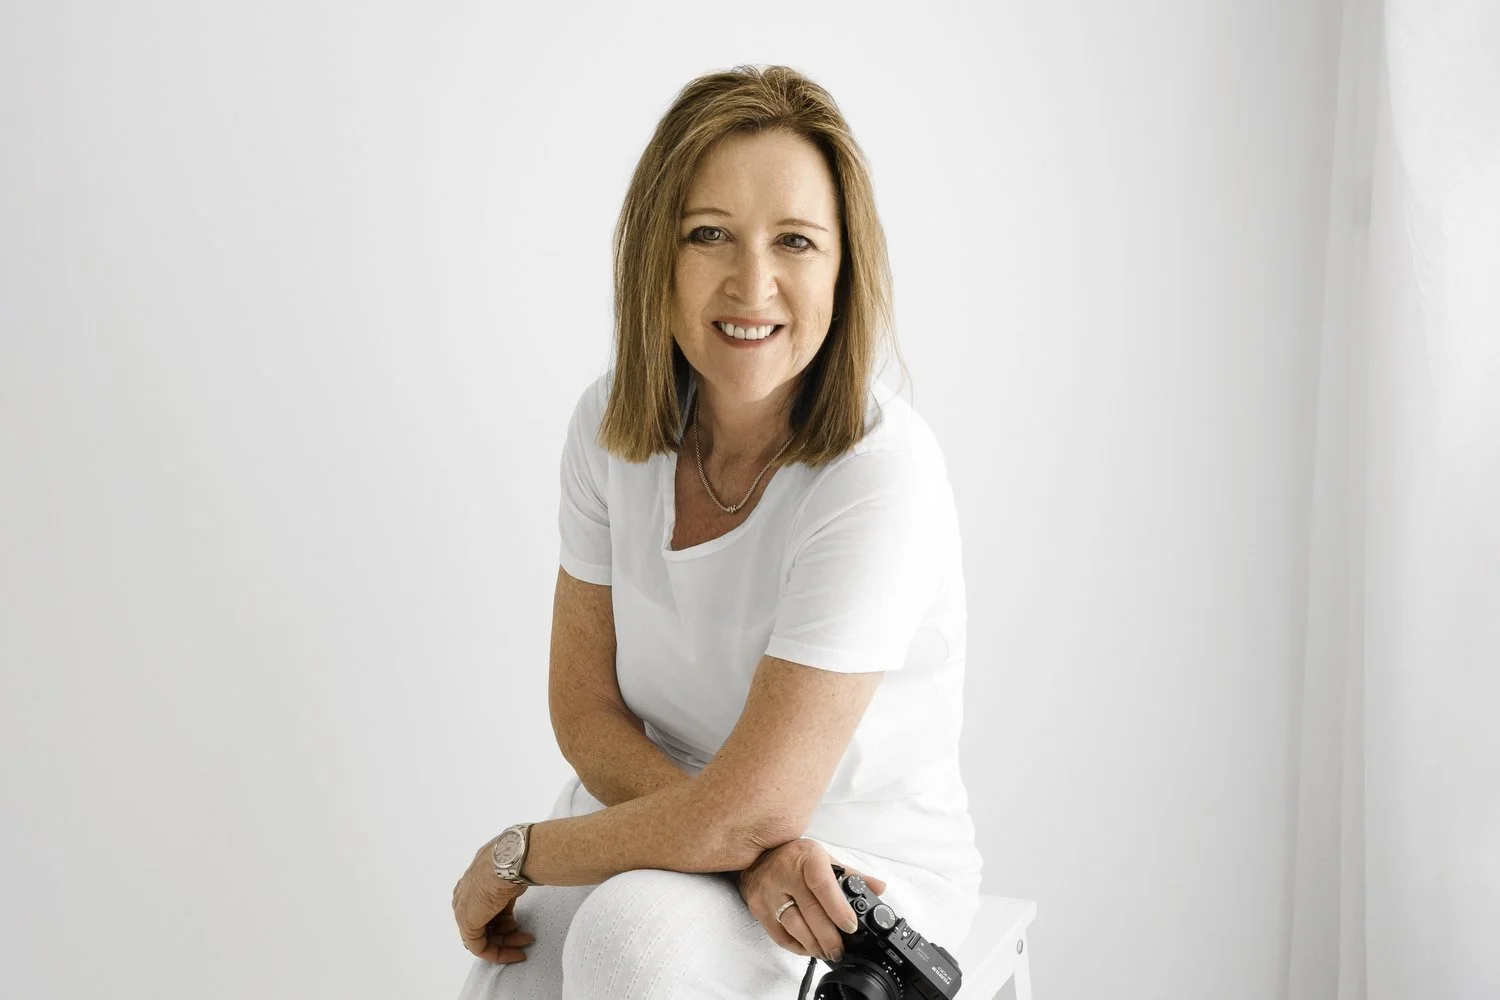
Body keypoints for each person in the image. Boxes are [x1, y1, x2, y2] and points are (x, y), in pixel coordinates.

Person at [451, 64, 983, 1000]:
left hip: (850, 874)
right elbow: (584, 714)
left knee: (628, 945)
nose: (753, 283)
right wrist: (731, 837)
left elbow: (757, 809)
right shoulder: (610, 424)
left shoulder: (877, 472)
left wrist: (519, 853)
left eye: (796, 242)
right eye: (710, 236)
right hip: (672, 807)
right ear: (658, 254)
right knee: (524, 971)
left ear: (844, 265)